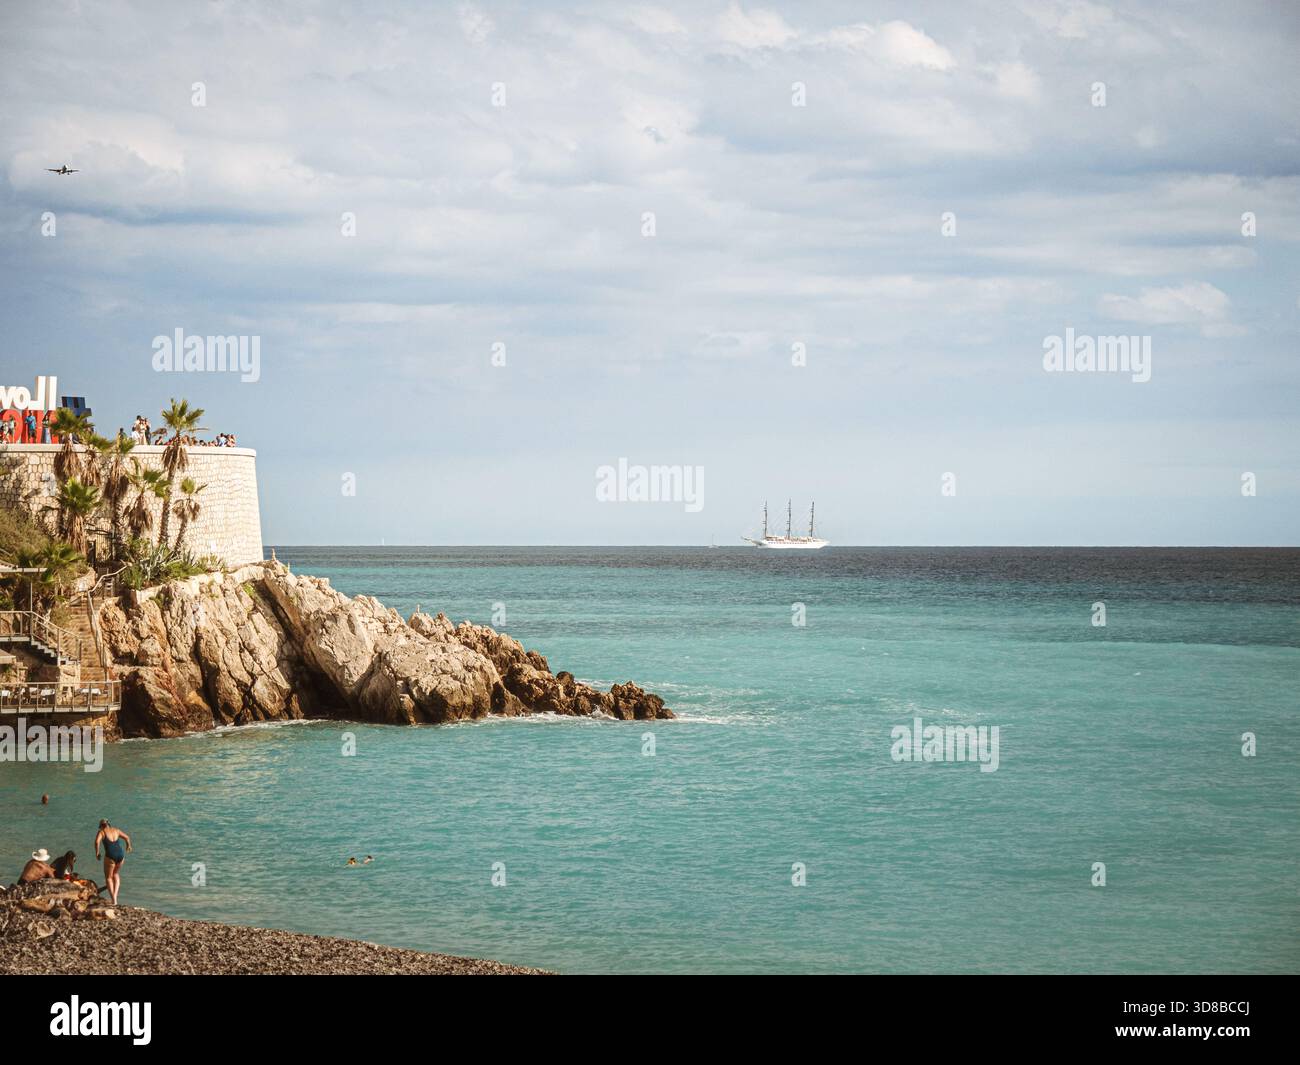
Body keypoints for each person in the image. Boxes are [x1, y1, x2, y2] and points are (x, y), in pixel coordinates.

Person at [94, 820, 131, 904]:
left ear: (101, 826)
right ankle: (115, 895)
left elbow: (97, 842)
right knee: (115, 874)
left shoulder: (102, 832)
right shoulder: (116, 830)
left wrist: (97, 853)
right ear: (108, 824)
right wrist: (128, 845)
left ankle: (114, 900)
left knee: (108, 877)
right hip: (121, 855)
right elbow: (127, 837)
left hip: (110, 855)